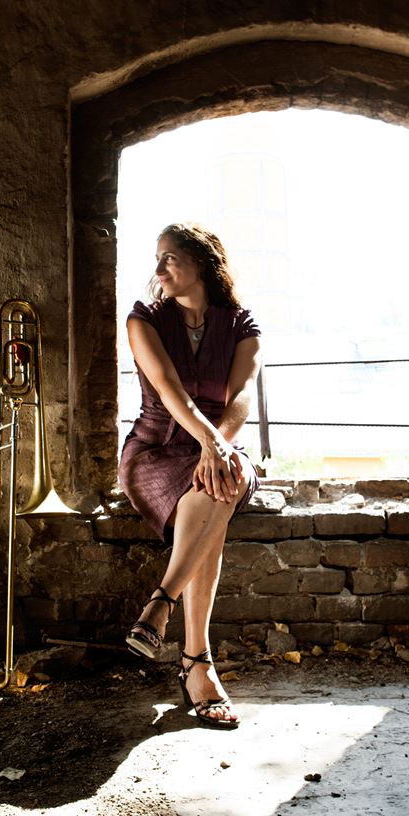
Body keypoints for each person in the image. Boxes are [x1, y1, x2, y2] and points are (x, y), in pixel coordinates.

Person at [119, 222, 262, 729]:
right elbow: (170, 390)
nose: (158, 269)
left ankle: (160, 608)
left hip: (219, 446)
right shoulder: (145, 320)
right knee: (220, 489)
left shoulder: (241, 324)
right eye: (157, 258)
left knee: (223, 484)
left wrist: (219, 445)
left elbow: (241, 397)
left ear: (200, 262)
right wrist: (212, 445)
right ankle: (197, 663)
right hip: (156, 451)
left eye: (170, 258)